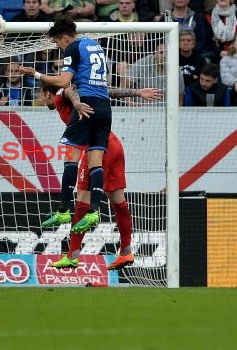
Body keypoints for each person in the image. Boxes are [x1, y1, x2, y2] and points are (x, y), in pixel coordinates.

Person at [37, 83, 161, 270]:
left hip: (97, 149)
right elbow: (106, 92)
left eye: (39, 94)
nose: (39, 99)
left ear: (47, 92)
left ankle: (72, 255)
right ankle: (126, 252)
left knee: (82, 202)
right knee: (118, 201)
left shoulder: (60, 95)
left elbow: (69, 89)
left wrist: (38, 76)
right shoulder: (83, 92)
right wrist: (136, 92)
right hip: (113, 144)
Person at [19, 16, 111, 232]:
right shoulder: (94, 44)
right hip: (105, 106)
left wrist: (36, 73)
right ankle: (94, 212)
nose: (59, 48)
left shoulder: (73, 48)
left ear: (63, 38)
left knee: (72, 157)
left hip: (86, 104)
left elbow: (63, 82)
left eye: (57, 43)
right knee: (95, 160)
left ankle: (63, 209)